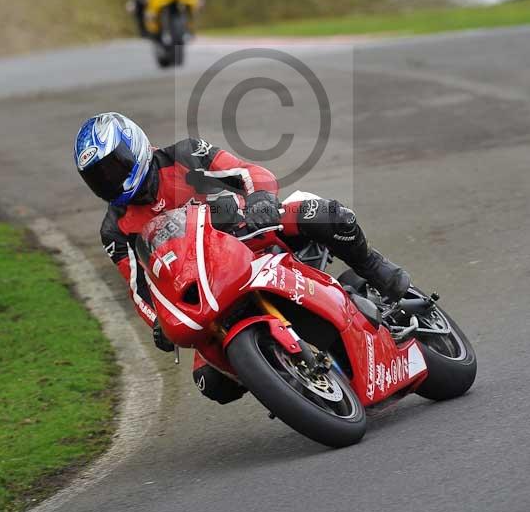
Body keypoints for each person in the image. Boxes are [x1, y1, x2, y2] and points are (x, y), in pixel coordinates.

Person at [74, 112, 411, 405]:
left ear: (134, 146)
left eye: (114, 167)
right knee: (211, 381)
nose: (110, 180)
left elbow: (246, 171)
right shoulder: (114, 230)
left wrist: (260, 197)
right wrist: (157, 324)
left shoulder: (185, 155)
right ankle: (285, 377)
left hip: (251, 235)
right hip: (205, 284)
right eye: (98, 178)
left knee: (326, 215)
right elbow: (140, 289)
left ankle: (376, 270)